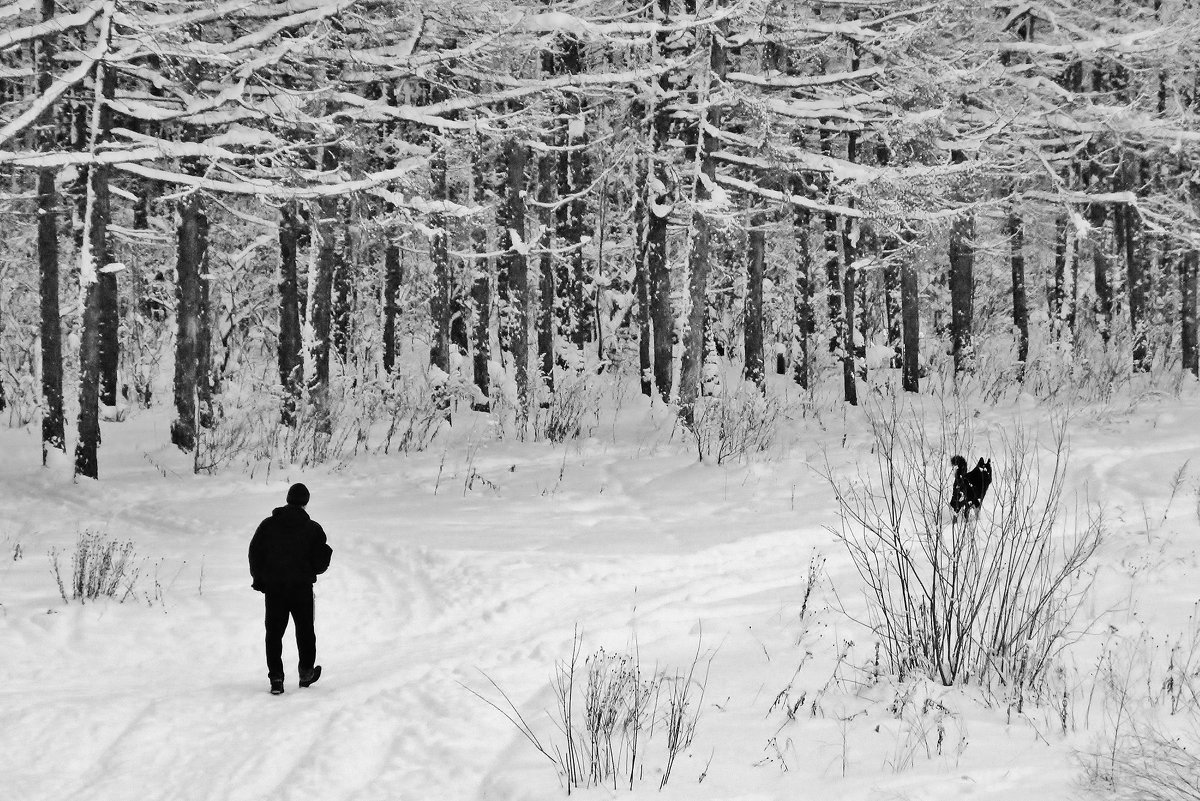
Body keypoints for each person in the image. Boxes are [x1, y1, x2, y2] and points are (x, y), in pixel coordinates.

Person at [249, 482, 333, 695]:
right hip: (301, 589)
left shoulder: (268, 525)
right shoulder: (313, 529)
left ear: (287, 499)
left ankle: (276, 679)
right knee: (305, 632)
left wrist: (260, 580)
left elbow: (255, 553)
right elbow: (320, 565)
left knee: (274, 634)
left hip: (274, 589)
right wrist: (325, 553)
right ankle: (306, 674)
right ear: (306, 503)